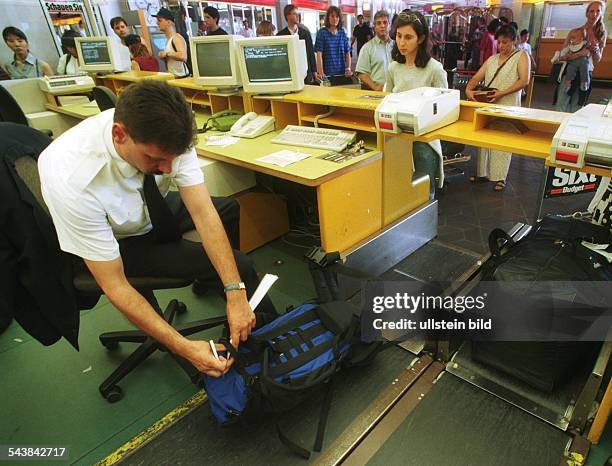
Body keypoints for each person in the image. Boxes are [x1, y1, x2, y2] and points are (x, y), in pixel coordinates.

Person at [38, 80, 277, 377]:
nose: (167, 169)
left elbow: (203, 212)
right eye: (155, 159)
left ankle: (220, 291)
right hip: (116, 237)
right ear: (119, 134)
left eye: (173, 159)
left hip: (148, 207)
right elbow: (115, 285)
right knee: (240, 265)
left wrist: (234, 292)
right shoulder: (72, 180)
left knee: (227, 210)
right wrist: (185, 348)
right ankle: (271, 356)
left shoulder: (170, 134)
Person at [385, 12, 447, 200]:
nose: (401, 42)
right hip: (397, 138)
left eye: (408, 37)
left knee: (423, 194)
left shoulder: (434, 69)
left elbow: (445, 108)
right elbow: (387, 101)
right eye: (398, 36)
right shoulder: (393, 68)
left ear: (420, 38)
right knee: (397, 192)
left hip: (423, 139)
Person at [466, 25, 530, 192]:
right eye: (499, 42)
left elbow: (524, 80)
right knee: (484, 139)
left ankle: (500, 177)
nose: (501, 46)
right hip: (489, 104)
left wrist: (502, 93)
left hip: (508, 104)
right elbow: (476, 78)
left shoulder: (522, 56)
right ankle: (483, 173)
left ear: (514, 41)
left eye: (505, 42)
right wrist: (469, 90)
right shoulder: (493, 59)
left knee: (503, 140)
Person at [554, 1, 607, 113]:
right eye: (592, 11)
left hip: (585, 74)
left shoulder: (601, 33)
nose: (595, 14)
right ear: (587, 13)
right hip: (570, 72)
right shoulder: (575, 31)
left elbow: (597, 59)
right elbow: (563, 54)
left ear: (601, 13)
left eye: (598, 11)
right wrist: (576, 54)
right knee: (561, 107)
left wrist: (596, 49)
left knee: (577, 109)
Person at [277, 4, 317, 84]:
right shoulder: (280, 35)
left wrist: (314, 71)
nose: (298, 16)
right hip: (289, 74)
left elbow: (310, 53)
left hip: (306, 73)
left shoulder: (305, 33)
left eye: (297, 14)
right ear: (287, 16)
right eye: (294, 14)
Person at [355, 10, 392, 91]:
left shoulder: (397, 46)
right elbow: (362, 74)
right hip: (376, 93)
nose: (382, 25)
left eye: (385, 22)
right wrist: (375, 87)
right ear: (374, 27)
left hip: (395, 92)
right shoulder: (367, 48)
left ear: (390, 25)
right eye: (379, 23)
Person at [315, 6, 352, 84]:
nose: (335, 18)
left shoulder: (342, 32)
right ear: (328, 17)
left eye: (337, 16)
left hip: (341, 73)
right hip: (327, 74)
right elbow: (319, 53)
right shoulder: (322, 33)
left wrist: (348, 68)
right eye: (332, 16)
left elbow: (347, 52)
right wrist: (320, 71)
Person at [153, 7, 189, 78]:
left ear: (169, 22)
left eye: (160, 20)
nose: (157, 23)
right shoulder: (168, 40)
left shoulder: (176, 38)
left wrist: (166, 54)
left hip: (182, 77)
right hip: (174, 76)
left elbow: (183, 56)